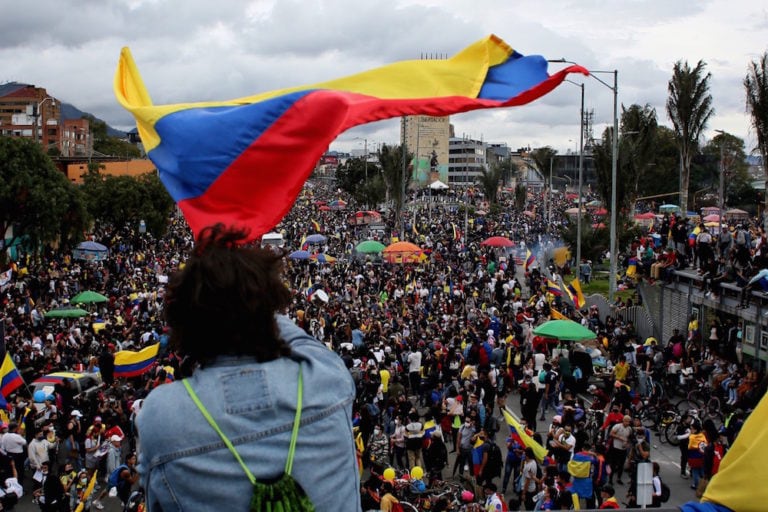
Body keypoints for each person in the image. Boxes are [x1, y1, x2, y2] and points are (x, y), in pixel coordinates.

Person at [136, 225, 360, 511]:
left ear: (183, 327)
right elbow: (294, 334)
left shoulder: (162, 416)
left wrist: (223, 292)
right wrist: (250, 292)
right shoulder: (327, 377)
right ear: (271, 305)